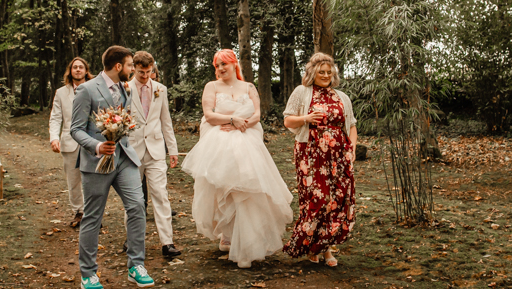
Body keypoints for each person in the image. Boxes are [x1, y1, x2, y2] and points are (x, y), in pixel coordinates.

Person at [182, 49, 293, 268]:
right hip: (219, 141)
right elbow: (209, 115)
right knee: (224, 188)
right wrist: (233, 119)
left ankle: (248, 241)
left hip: (247, 141)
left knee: (246, 189)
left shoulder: (249, 87)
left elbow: (257, 115)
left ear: (234, 65)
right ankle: (227, 233)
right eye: (217, 66)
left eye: (224, 64)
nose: (221, 69)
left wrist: (242, 124)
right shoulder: (211, 87)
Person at [70, 45, 154, 289]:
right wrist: (97, 146)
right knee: (93, 217)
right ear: (118, 66)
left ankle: (136, 265)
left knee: (137, 206)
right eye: (130, 65)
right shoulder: (86, 90)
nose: (132, 69)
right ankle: (88, 273)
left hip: (125, 159)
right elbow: (75, 129)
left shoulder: (124, 87)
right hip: (96, 163)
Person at [282, 52, 358, 267]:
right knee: (318, 200)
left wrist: (351, 148)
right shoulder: (302, 92)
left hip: (338, 156)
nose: (325, 75)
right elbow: (288, 120)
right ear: (312, 73)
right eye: (321, 72)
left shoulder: (342, 97)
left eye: (329, 72)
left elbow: (351, 125)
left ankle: (326, 249)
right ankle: (312, 245)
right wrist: (305, 118)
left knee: (336, 201)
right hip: (311, 154)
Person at [127, 51, 182, 259]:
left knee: (161, 195)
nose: (145, 76)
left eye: (149, 72)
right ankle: (131, 240)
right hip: (132, 151)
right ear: (134, 68)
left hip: (156, 151)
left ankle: (167, 242)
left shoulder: (161, 89)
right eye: (141, 72)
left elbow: (166, 121)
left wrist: (173, 149)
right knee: (133, 199)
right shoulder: (125, 88)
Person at [49, 57, 90, 229]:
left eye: (81, 67)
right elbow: (56, 117)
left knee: (91, 180)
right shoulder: (61, 93)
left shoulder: (94, 89)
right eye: (75, 67)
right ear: (70, 71)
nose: (78, 70)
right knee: (73, 181)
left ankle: (92, 214)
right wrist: (54, 137)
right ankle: (79, 212)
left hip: (90, 142)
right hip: (69, 142)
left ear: (86, 71)